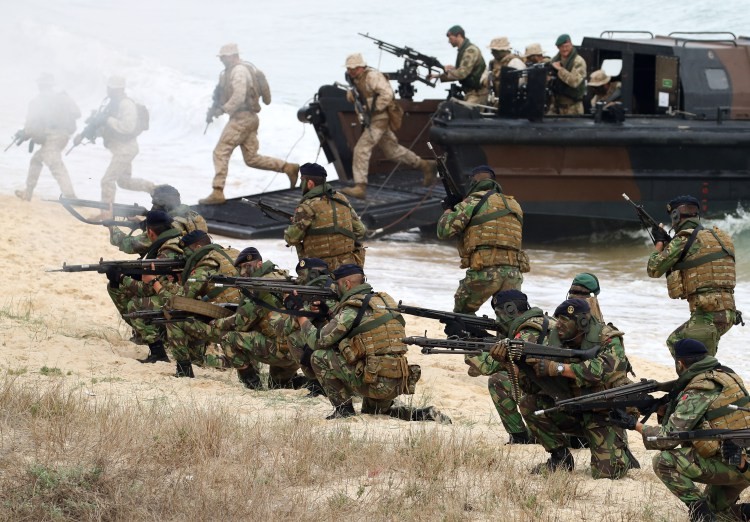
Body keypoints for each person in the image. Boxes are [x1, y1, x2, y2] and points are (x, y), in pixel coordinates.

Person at [613, 339, 750, 522]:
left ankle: (701, 515)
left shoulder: (699, 388)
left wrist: (634, 425)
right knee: (718, 513)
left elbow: (668, 438)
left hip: (733, 463)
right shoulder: (726, 375)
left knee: (663, 461)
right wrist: (659, 408)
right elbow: (709, 414)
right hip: (742, 462)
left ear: (680, 363)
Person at [300, 264, 449, 423]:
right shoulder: (383, 301)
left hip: (374, 379)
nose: (334, 289)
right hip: (396, 378)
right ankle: (423, 414)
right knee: (374, 412)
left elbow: (318, 341)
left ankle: (344, 410)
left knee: (319, 356)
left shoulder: (352, 308)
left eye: (336, 285)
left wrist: (301, 318)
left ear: (347, 284)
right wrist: (328, 312)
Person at [519, 298, 638, 479]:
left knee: (608, 473)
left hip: (603, 414)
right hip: (572, 409)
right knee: (529, 404)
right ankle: (560, 457)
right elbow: (532, 387)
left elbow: (603, 370)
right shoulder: (553, 339)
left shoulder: (607, 338)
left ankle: (619, 448)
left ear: (582, 322)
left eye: (564, 320)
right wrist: (516, 364)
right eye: (558, 319)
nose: (558, 324)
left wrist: (559, 368)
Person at [200, 43, 299, 205]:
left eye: (224, 57)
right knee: (251, 158)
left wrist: (223, 109)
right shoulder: (240, 70)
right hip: (250, 119)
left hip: (242, 119)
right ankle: (288, 167)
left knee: (220, 152)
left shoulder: (238, 71)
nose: (221, 60)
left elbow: (239, 96)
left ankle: (217, 191)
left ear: (233, 56)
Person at [646, 195, 737, 357]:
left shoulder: (683, 240)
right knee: (701, 354)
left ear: (675, 215)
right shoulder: (719, 237)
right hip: (728, 312)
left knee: (679, 345)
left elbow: (653, 269)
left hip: (708, 314)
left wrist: (659, 242)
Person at [463, 290, 554, 444]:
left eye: (499, 314)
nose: (498, 320)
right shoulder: (546, 322)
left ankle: (519, 437)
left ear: (511, 310)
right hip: (559, 390)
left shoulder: (527, 333)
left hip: (552, 395)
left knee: (497, 381)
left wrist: (468, 346)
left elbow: (487, 366)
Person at [340, 53, 436, 200]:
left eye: (354, 68)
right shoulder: (355, 79)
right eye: (349, 68)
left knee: (361, 149)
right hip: (373, 119)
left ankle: (360, 186)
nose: (351, 71)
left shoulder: (372, 76)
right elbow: (357, 94)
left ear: (361, 67)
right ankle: (425, 165)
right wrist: (351, 96)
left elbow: (387, 94)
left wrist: (370, 107)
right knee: (393, 151)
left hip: (379, 118)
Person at [437, 164, 529, 313]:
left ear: (473, 182)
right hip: (513, 274)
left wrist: (448, 208)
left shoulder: (473, 201)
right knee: (509, 318)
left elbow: (444, 231)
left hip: (485, 271)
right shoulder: (514, 205)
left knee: (461, 315)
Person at [211, 247, 305, 390]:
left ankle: (253, 386)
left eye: (247, 266)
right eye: (241, 268)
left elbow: (240, 323)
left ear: (259, 264)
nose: (243, 272)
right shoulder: (278, 277)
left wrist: (215, 323)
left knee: (228, 338)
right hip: (296, 351)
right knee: (278, 387)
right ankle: (307, 383)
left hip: (280, 351)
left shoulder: (260, 286)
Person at [164, 230, 241, 378]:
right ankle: (217, 360)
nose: (185, 256)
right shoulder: (233, 254)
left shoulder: (206, 265)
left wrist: (163, 284)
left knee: (175, 319)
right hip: (248, 320)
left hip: (228, 323)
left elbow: (181, 300)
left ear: (198, 247)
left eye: (187, 252)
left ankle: (184, 371)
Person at [113, 210, 184, 363]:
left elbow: (149, 288)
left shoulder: (166, 251)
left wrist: (122, 278)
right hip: (182, 293)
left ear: (150, 232)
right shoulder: (176, 240)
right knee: (123, 289)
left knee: (136, 305)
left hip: (179, 299)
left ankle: (158, 352)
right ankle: (147, 334)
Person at [284, 162, 366, 269]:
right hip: (349, 266)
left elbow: (291, 239)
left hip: (320, 269)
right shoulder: (341, 198)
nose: (301, 184)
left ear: (310, 183)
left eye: (302, 180)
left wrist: (294, 225)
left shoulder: (306, 207)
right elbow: (360, 231)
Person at [86, 75, 155, 204]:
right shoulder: (113, 104)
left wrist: (107, 119)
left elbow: (127, 127)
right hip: (122, 150)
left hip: (125, 150)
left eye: (110, 88)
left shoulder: (126, 104)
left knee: (107, 180)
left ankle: (106, 211)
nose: (108, 91)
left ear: (118, 89)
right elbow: (110, 130)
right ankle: (156, 191)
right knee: (124, 182)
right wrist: (92, 129)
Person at [14, 73, 80, 201]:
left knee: (56, 166)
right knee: (36, 160)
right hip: (64, 136)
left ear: (40, 85)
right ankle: (28, 193)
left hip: (52, 138)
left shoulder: (37, 102)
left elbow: (30, 124)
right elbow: (77, 113)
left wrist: (25, 133)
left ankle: (70, 196)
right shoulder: (63, 98)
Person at [109, 184, 207, 256]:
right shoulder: (195, 217)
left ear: (164, 205)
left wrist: (110, 224)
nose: (153, 207)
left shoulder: (168, 225)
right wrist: (141, 223)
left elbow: (129, 245)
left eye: (155, 204)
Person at [433, 25, 487, 104]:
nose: (449, 41)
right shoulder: (463, 50)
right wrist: (437, 76)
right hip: (470, 92)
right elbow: (459, 72)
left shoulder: (470, 51)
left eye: (450, 38)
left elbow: (461, 73)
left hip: (477, 94)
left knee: (463, 111)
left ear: (458, 36)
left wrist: (447, 71)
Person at [548, 34, 587, 115]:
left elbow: (575, 82)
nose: (565, 49)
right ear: (558, 47)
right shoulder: (554, 60)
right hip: (556, 106)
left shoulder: (578, 61)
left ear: (571, 45)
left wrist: (560, 69)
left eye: (567, 46)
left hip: (573, 107)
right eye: (562, 47)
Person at [484, 37, 526, 107]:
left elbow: (519, 84)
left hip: (512, 101)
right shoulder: (492, 63)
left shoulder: (515, 63)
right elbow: (484, 78)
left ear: (503, 50)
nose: (492, 52)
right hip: (496, 98)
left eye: (495, 51)